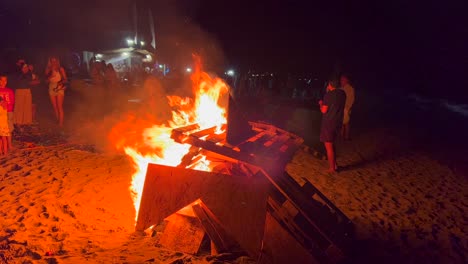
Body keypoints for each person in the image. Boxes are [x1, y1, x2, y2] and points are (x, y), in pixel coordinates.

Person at [319, 79, 346, 173]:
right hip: (338, 122)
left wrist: (321, 104)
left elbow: (324, 111)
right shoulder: (343, 94)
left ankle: (332, 168)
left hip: (328, 123)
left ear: (330, 85)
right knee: (332, 143)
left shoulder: (328, 95)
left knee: (328, 146)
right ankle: (334, 164)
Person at [45, 57, 67, 127]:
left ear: (57, 61)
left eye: (55, 61)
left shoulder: (61, 69)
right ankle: (58, 121)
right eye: (52, 61)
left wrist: (61, 83)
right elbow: (46, 81)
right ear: (50, 62)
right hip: (51, 87)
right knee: (55, 107)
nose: (54, 63)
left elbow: (65, 79)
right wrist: (51, 76)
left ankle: (61, 123)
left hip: (59, 87)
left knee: (59, 106)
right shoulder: (48, 70)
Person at [0, 75, 15, 153]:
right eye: (1, 80)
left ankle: (10, 146)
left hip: (8, 112)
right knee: (1, 132)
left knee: (9, 130)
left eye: (5, 80)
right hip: (0, 114)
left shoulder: (10, 90)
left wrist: (9, 109)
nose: (3, 82)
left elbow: (12, 102)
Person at [340, 74, 355, 140]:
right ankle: (341, 136)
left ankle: (346, 136)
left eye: (343, 79)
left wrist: (348, 108)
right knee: (341, 123)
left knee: (346, 123)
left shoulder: (350, 88)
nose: (341, 81)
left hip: (346, 108)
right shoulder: (340, 88)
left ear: (347, 80)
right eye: (341, 80)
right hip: (341, 108)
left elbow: (352, 99)